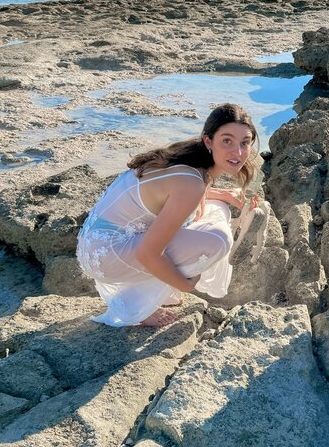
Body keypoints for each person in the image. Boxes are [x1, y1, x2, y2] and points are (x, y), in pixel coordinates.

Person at [77, 102, 260, 327]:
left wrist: (223, 194)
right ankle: (139, 305)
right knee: (218, 241)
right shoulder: (191, 183)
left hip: (96, 243)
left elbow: (169, 195)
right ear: (208, 141)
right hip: (109, 256)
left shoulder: (188, 162)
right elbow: (148, 253)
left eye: (245, 142)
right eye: (227, 141)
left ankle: (160, 286)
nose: (238, 152)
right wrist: (185, 285)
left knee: (215, 207)